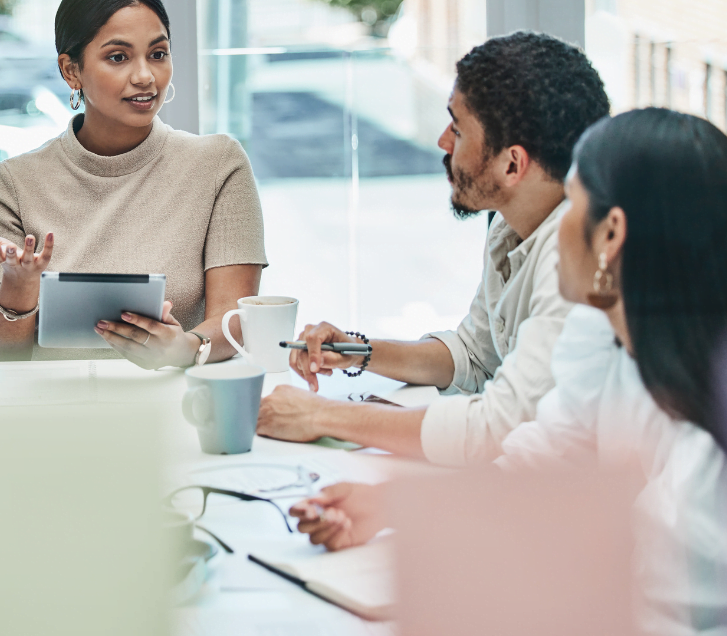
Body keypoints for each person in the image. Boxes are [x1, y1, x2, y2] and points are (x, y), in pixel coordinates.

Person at [289, 108, 727, 635]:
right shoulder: (603, 328)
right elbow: (545, 453)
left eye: (573, 201)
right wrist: (395, 509)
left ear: (609, 236)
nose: (557, 223)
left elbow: (654, 610)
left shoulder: (706, 450)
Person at [257, 31, 610, 466]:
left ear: (512, 164)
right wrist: (357, 352)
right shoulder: (509, 224)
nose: (444, 141)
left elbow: (495, 428)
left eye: (458, 130)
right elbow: (474, 355)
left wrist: (323, 415)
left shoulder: (573, 262)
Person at [0, 0, 267, 366]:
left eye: (158, 54)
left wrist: (186, 347)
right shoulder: (13, 184)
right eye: (118, 57)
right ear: (71, 70)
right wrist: (18, 290)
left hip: (175, 404)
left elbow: (235, 320)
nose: (145, 76)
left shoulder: (219, 165)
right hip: (49, 416)